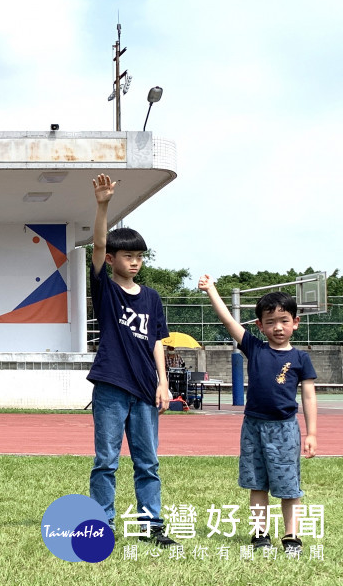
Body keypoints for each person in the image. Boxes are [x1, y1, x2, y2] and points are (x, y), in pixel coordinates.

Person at [197, 276, 318, 553]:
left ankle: (291, 537)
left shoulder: (301, 358)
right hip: (253, 427)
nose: (278, 327)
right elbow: (229, 321)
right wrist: (212, 291)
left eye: (284, 320)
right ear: (260, 326)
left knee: (289, 486)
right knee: (257, 484)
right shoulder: (255, 348)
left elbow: (308, 395)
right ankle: (260, 534)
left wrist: (311, 433)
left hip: (285, 429)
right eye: (271, 321)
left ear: (295, 323)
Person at [86, 173, 174, 546]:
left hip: (144, 390)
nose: (135, 262)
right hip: (110, 385)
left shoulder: (152, 298)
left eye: (139, 256)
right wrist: (103, 205)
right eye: (128, 256)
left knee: (147, 462)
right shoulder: (105, 290)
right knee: (106, 460)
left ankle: (151, 525)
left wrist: (163, 382)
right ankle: (102, 523)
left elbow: (157, 341)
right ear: (112, 259)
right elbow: (96, 245)